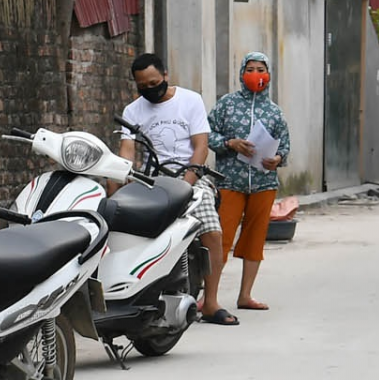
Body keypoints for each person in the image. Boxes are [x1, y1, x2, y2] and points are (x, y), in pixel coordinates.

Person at [119, 53, 233, 325]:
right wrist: (117, 181)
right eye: (142, 86)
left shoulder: (190, 100)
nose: (150, 89)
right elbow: (126, 151)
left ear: (166, 75)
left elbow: (201, 147)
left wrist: (187, 183)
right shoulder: (132, 111)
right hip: (152, 180)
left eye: (154, 82)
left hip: (190, 176)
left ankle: (212, 302)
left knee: (212, 231)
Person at [207, 52, 291, 312]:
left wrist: (277, 158)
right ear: (242, 72)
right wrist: (230, 143)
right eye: (251, 69)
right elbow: (207, 133)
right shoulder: (226, 104)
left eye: (261, 69)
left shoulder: (275, 112)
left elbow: (285, 146)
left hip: (264, 184)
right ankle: (209, 298)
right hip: (230, 182)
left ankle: (245, 295)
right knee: (221, 239)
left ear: (269, 74)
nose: (257, 74)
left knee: (255, 239)